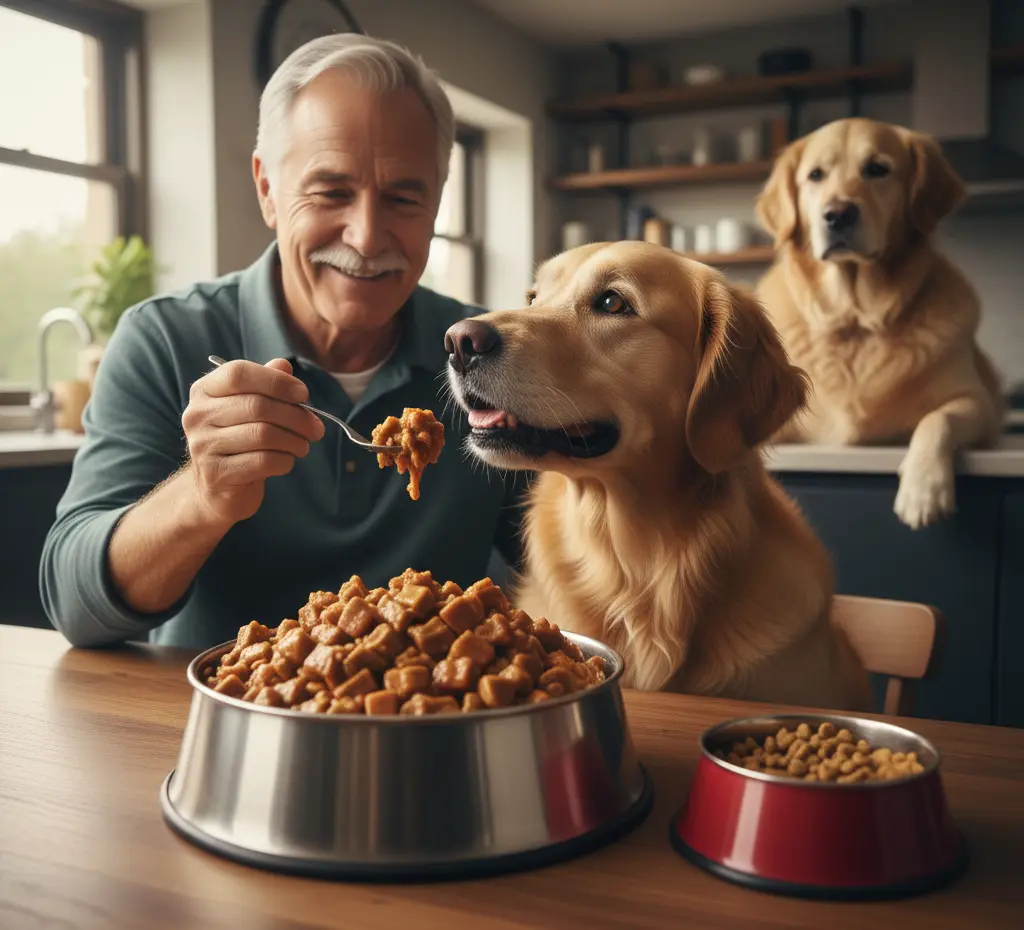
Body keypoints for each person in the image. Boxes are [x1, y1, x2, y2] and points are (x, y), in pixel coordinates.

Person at [40, 34, 525, 649]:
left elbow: (577, 561)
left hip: (431, 727)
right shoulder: (163, 338)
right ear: (268, 188)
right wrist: (203, 494)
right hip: (220, 724)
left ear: (435, 206)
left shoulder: (487, 356)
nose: (368, 236)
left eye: (403, 197)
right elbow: (73, 605)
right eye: (331, 192)